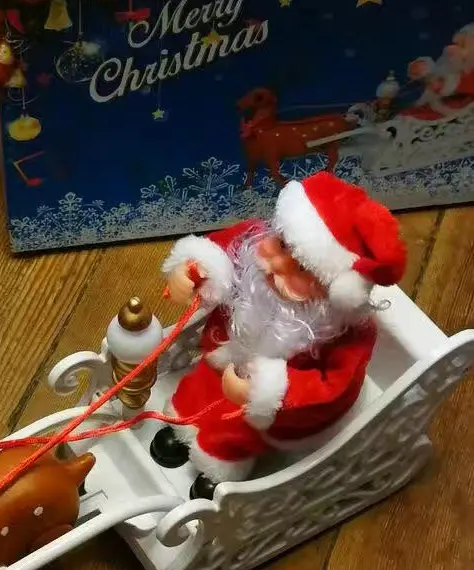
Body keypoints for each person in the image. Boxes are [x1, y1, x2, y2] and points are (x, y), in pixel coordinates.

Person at [151, 171, 407, 499]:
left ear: (333, 289)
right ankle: (182, 425)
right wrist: (191, 272)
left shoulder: (344, 333)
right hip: (225, 355)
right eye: (282, 244)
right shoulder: (253, 246)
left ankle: (219, 468)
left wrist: (264, 391)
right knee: (197, 388)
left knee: (237, 432)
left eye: (301, 269)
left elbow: (332, 388)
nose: (277, 265)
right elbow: (217, 251)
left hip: (271, 407)